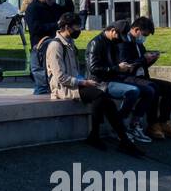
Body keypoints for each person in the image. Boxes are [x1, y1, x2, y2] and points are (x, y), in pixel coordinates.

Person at [45, 12, 144, 157]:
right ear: (66, 27)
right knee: (100, 96)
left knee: (107, 101)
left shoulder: (69, 43)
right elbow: (60, 77)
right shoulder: (55, 46)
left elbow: (74, 71)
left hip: (76, 83)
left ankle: (122, 141)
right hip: (64, 88)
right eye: (77, 27)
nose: (79, 30)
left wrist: (84, 81)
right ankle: (99, 136)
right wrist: (83, 82)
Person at [85, 22, 153, 143]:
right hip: (101, 82)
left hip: (115, 78)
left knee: (149, 90)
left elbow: (118, 63)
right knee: (133, 91)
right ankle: (118, 127)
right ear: (112, 31)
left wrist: (126, 67)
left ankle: (134, 124)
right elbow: (93, 68)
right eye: (119, 36)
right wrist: (117, 68)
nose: (120, 40)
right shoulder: (96, 43)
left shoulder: (114, 41)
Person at [116, 16, 171, 139]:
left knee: (170, 88)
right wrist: (144, 59)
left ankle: (164, 122)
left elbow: (142, 64)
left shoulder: (139, 44)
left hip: (142, 77)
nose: (144, 38)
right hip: (128, 78)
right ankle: (153, 124)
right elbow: (127, 65)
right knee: (153, 87)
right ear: (136, 30)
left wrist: (151, 59)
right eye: (144, 34)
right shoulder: (123, 43)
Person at [25, 0, 65, 95]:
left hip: (53, 45)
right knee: (42, 83)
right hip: (40, 47)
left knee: (53, 81)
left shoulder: (53, 7)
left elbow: (67, 12)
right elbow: (35, 28)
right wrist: (56, 25)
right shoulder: (33, 8)